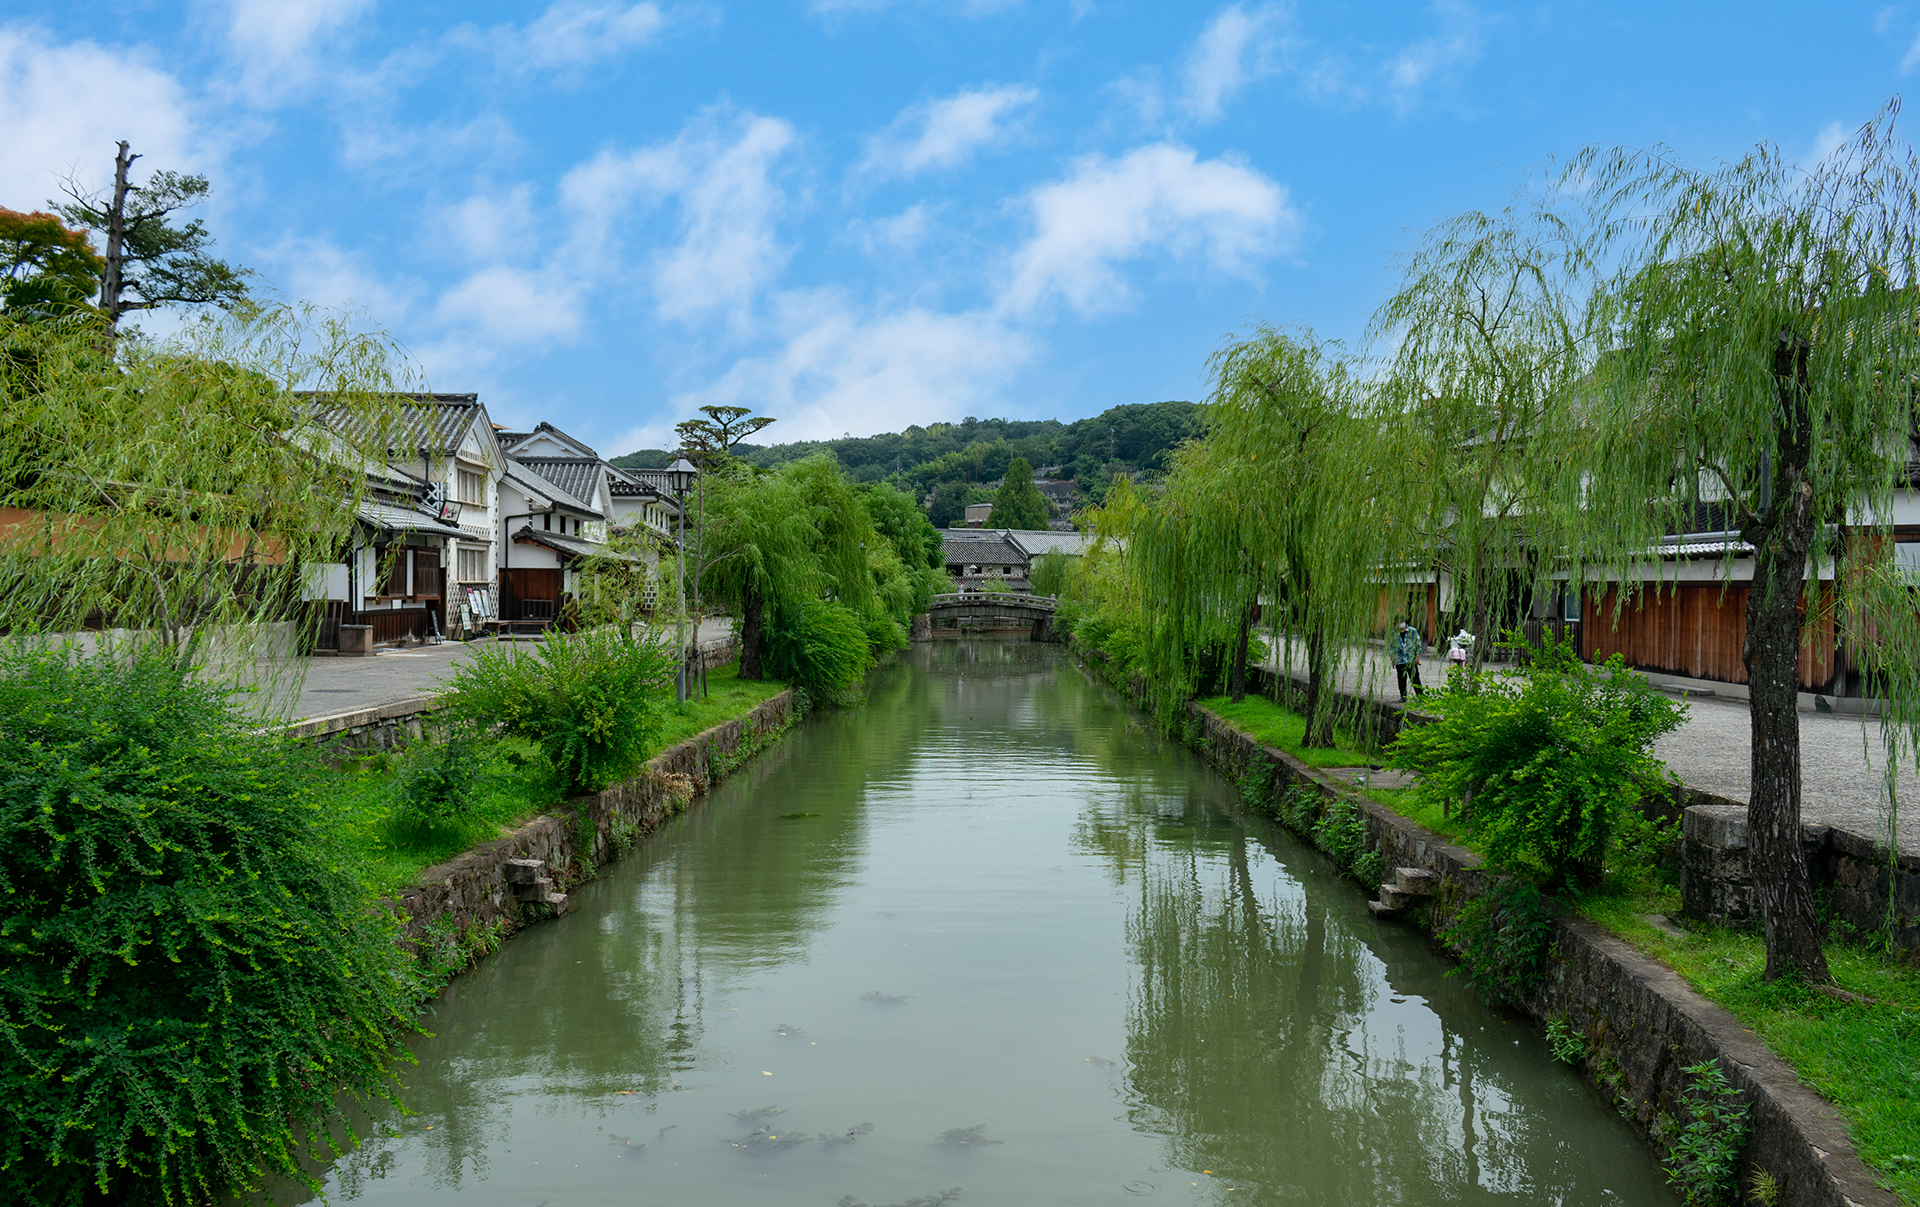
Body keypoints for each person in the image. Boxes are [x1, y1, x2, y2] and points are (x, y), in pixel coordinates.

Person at [1389, 619, 1425, 702]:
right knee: (1401, 678)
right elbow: (1391, 646)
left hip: (1411, 659)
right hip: (1399, 659)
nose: (1400, 624)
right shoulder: (1393, 633)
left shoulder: (1412, 631)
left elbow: (1418, 644)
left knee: (1415, 678)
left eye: (1401, 622)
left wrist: (1418, 656)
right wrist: (1392, 659)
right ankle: (1403, 695)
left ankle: (1420, 695)